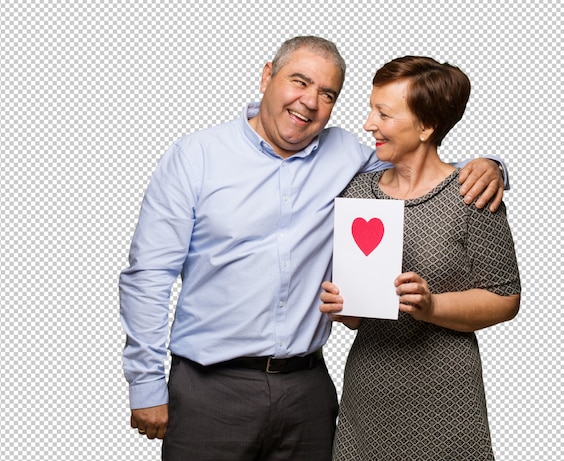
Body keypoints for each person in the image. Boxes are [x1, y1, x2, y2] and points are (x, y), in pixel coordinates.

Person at [119, 36, 507, 461]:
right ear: (267, 75)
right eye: (299, 81)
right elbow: (149, 277)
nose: (310, 101)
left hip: (307, 394)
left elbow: (420, 158)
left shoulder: (350, 158)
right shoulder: (195, 157)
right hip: (211, 392)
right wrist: (146, 384)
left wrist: (491, 165)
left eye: (327, 94)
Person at [319, 55, 521, 460]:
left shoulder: (472, 193)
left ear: (426, 127)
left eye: (384, 113)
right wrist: (343, 307)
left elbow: (506, 298)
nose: (368, 123)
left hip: (448, 400)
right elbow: (357, 316)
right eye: (371, 109)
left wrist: (432, 305)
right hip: (370, 394)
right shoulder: (357, 194)